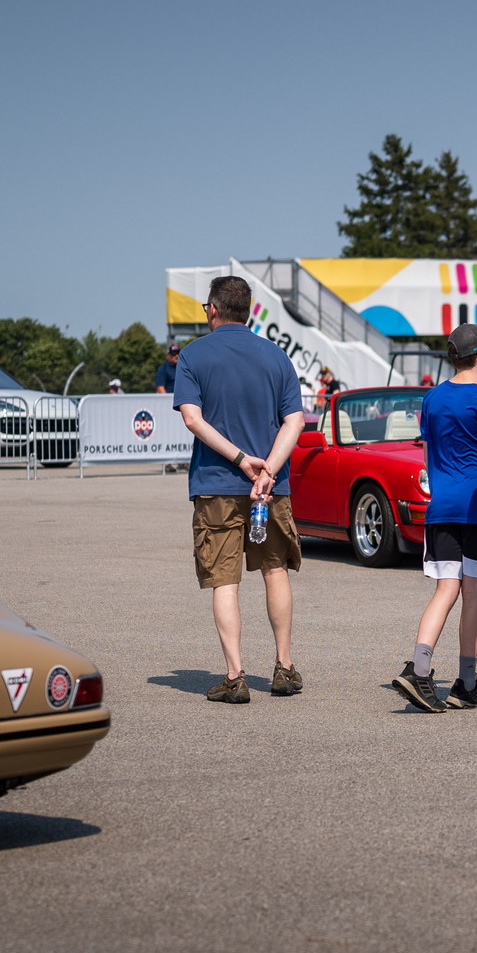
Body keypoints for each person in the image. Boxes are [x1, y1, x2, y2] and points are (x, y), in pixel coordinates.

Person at [173, 275, 307, 704]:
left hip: (216, 484)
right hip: (270, 488)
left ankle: (235, 676)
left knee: (224, 581)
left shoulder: (193, 356)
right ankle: (284, 668)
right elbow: (295, 421)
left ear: (212, 309)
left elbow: (193, 419)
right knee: (275, 570)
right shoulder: (276, 356)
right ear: (247, 311)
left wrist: (239, 460)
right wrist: (268, 468)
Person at [390, 322, 477, 713]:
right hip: (475, 507)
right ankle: (467, 682)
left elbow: (429, 453)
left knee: (445, 590)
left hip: (439, 507)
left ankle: (419, 669)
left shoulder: (432, 399)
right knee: (474, 593)